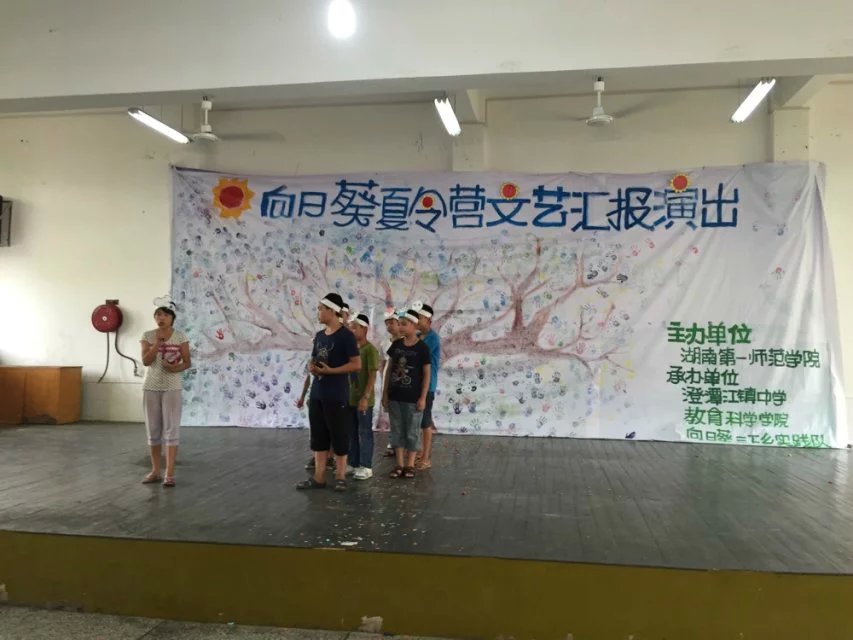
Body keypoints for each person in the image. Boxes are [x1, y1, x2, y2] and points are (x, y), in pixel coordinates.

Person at [297, 293, 360, 492]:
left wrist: (331, 371)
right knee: (318, 437)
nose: (318, 312)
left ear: (332, 311)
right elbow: (315, 358)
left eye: (321, 309)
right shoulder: (319, 336)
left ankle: (340, 477)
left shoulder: (346, 336)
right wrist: (313, 366)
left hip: (336, 394)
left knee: (339, 435)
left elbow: (356, 364)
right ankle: (319, 477)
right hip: (318, 393)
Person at [139, 297, 191, 487]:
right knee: (153, 429)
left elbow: (187, 362)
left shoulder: (180, 336)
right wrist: (157, 345)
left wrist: (174, 368)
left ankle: (169, 473)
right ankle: (155, 471)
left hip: (172, 387)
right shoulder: (147, 335)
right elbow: (146, 361)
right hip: (151, 386)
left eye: (165, 315)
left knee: (171, 429)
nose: (160, 318)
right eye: (157, 315)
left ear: (172, 318)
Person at [382, 309, 431, 479]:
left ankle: (410, 464)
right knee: (397, 430)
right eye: (399, 324)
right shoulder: (396, 345)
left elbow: (426, 374)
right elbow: (389, 369)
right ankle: (399, 464)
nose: (400, 327)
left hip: (413, 399)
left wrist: (423, 397)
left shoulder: (422, 348)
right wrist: (385, 394)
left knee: (412, 431)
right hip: (395, 396)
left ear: (414, 325)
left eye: (404, 324)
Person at [348, 313, 380, 480]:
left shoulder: (370, 350)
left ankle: (366, 465)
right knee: (351, 432)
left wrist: (365, 397)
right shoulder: (351, 350)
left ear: (364, 329)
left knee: (364, 432)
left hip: (363, 400)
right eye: (350, 328)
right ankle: (353, 462)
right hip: (350, 398)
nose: (352, 331)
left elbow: (372, 375)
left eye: (355, 328)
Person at [414, 301, 440, 470]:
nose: (417, 320)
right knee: (416, 420)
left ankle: (426, 457)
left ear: (428, 320)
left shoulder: (433, 338)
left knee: (425, 421)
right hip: (414, 384)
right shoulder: (417, 336)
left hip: (427, 385)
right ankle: (419, 451)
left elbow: (419, 355)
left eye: (420, 317)